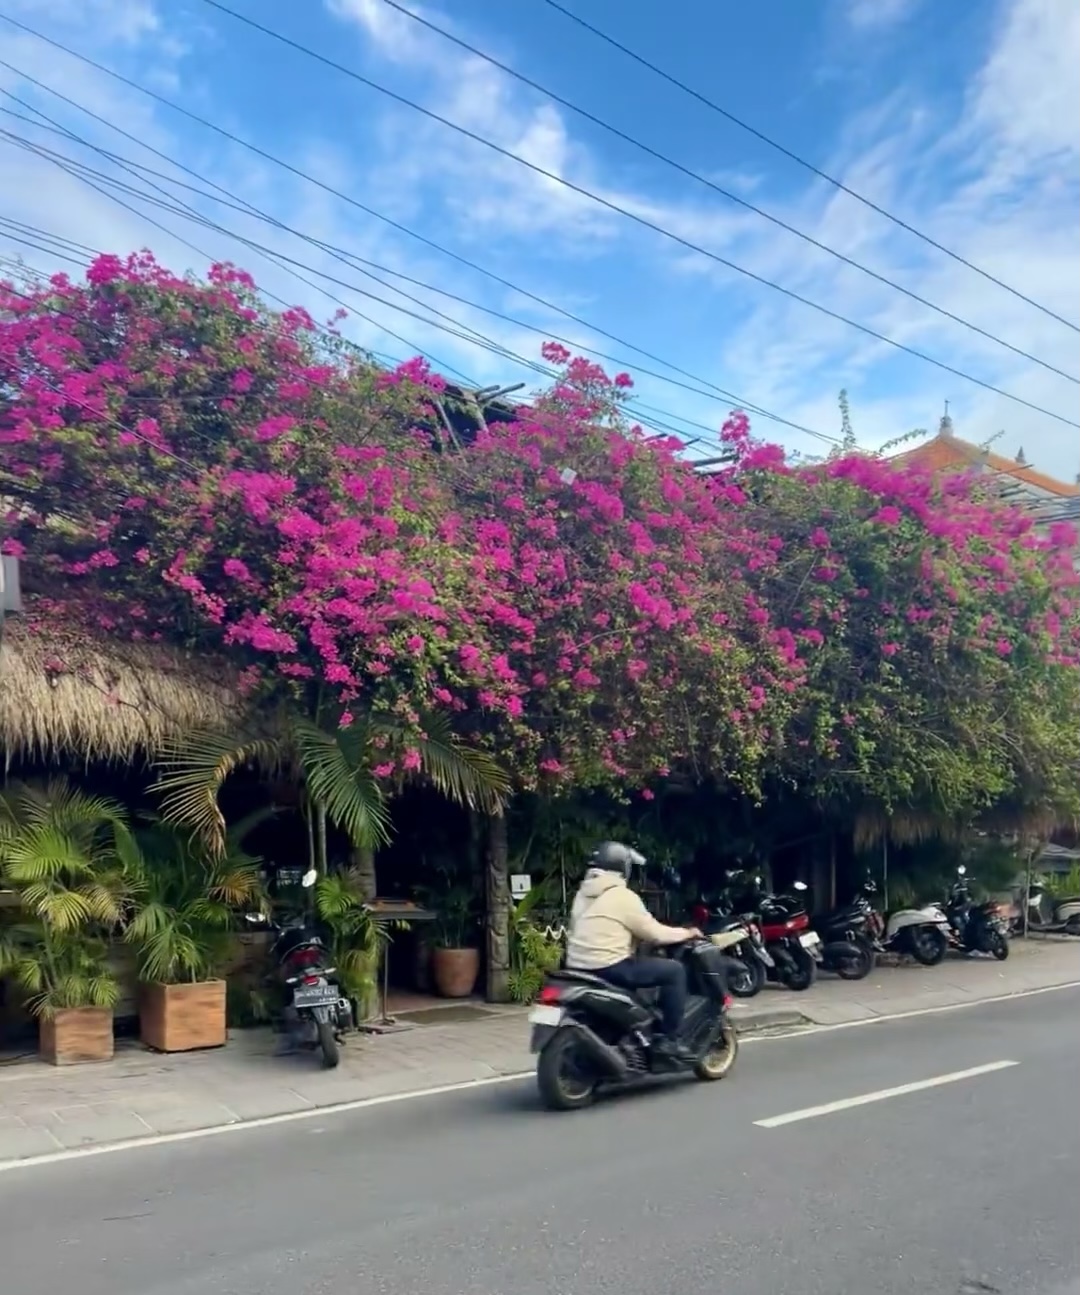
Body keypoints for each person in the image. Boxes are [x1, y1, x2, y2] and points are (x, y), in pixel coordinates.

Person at [564, 841, 702, 1060]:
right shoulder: (622, 896)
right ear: (623, 868)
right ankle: (669, 1040)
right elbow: (655, 934)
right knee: (674, 971)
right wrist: (687, 933)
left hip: (578, 966)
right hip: (609, 966)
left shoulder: (582, 894)